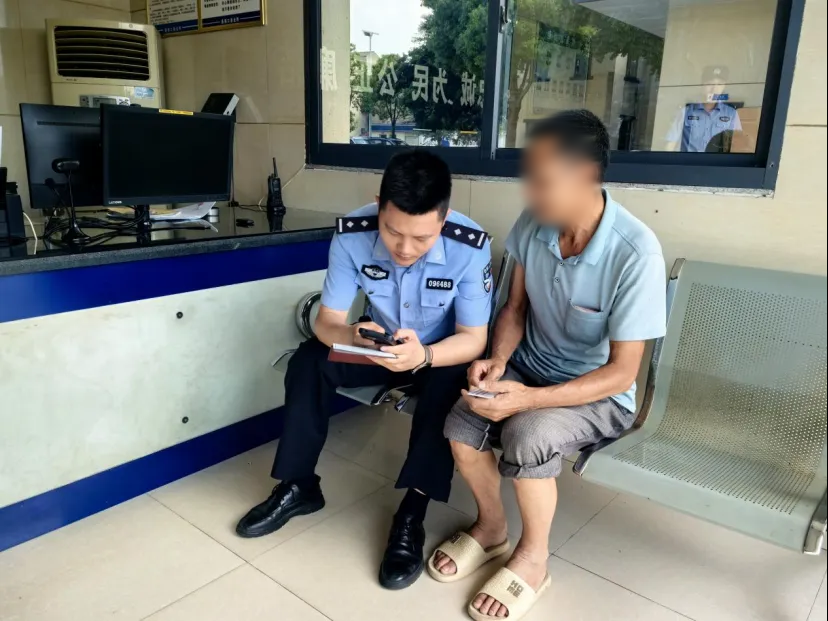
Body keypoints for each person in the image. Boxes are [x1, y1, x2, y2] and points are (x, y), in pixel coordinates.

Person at [428, 110, 666, 620]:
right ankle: (492, 527)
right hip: (530, 368)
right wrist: (497, 361)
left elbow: (623, 373)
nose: (531, 194)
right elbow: (515, 309)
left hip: (599, 394)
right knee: (463, 422)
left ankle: (533, 559)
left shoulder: (636, 252)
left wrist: (529, 400)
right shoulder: (535, 224)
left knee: (528, 433)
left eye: (544, 181)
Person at [236, 149, 493, 591]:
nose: (404, 249)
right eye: (393, 231)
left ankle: (411, 513)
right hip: (378, 349)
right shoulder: (352, 235)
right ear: (378, 206)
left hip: (439, 356)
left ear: (445, 219)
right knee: (309, 363)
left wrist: (425, 356)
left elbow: (473, 338)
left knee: (446, 390)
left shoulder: (469, 246)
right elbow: (327, 322)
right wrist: (354, 335)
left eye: (421, 238)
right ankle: (299, 486)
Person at [666, 65, 742, 152]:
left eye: (720, 84)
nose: (714, 89)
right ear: (702, 85)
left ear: (724, 86)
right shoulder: (685, 112)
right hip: (689, 160)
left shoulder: (731, 114)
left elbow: (738, 146)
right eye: (710, 84)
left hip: (718, 160)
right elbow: (670, 144)